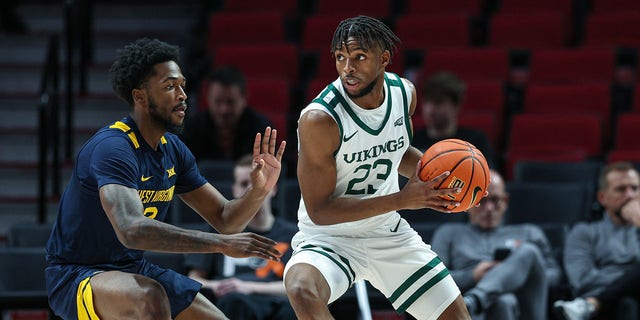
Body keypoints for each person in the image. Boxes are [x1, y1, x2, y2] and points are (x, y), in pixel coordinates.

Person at [45, 38, 287, 320]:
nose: (183, 94)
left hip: (131, 269)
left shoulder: (173, 149)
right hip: (77, 274)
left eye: (182, 84)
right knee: (150, 298)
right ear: (141, 97)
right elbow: (132, 230)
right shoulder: (113, 148)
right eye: (170, 86)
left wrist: (259, 190)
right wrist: (220, 244)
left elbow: (226, 219)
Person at [283, 15, 472, 320]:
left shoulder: (404, 94)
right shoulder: (320, 120)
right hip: (329, 238)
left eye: (359, 57)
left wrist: (452, 182)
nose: (348, 68)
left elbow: (397, 151)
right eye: (341, 58)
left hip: (386, 233)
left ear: (384, 59)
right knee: (300, 288)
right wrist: (402, 200)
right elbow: (320, 210)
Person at [430, 169, 562, 320]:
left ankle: (476, 300)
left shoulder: (529, 233)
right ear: (467, 202)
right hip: (471, 312)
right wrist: (472, 276)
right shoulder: (449, 233)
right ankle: (475, 300)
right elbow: (434, 280)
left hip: (524, 308)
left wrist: (511, 271)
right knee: (503, 302)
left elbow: (555, 276)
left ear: (505, 202)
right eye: (481, 201)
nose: (489, 209)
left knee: (529, 252)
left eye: (495, 200)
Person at [186, 154, 298, 320]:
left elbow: (297, 287)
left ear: (272, 188)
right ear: (235, 190)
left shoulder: (293, 235)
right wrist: (220, 286)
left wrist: (249, 287)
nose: (251, 190)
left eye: (257, 182)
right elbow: (194, 279)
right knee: (235, 302)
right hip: (233, 303)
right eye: (244, 184)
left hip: (275, 304)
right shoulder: (217, 230)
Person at [553, 161, 640, 320]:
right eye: (621, 189)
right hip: (605, 308)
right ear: (602, 197)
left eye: (635, 188)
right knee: (627, 303)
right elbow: (583, 279)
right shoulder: (584, 232)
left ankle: (593, 303)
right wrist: (630, 279)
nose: (630, 195)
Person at [180, 66, 272, 161]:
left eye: (230, 102)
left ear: (244, 98)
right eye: (218, 101)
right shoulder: (192, 129)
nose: (224, 110)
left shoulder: (261, 129)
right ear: (208, 98)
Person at [412, 72, 496, 168]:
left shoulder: (475, 140)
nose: (430, 109)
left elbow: (489, 176)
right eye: (427, 101)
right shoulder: (412, 140)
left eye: (438, 102)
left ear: (456, 106)